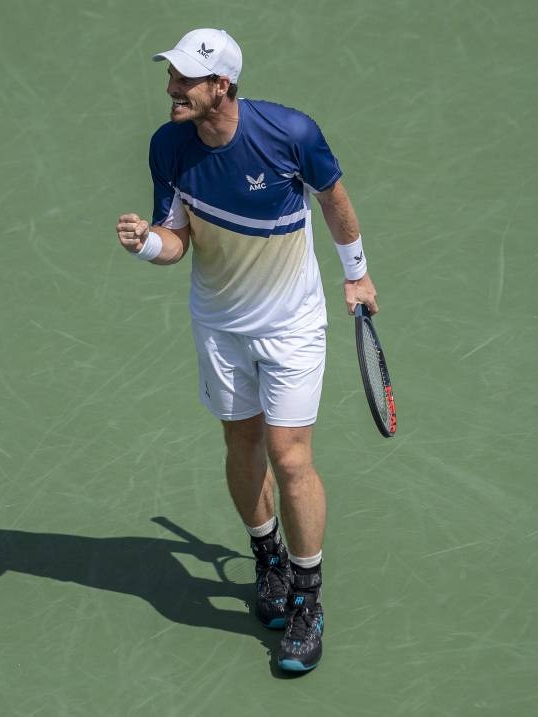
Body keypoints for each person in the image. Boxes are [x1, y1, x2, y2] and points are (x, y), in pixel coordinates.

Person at [115, 28, 379, 673]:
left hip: (292, 324)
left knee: (290, 458)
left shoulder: (290, 133)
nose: (172, 88)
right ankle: (267, 560)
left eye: (185, 80)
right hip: (220, 324)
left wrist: (356, 272)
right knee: (242, 444)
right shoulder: (168, 146)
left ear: (221, 87)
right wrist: (146, 245)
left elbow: (333, 197)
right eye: (172, 76)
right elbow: (175, 238)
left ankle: (308, 599)